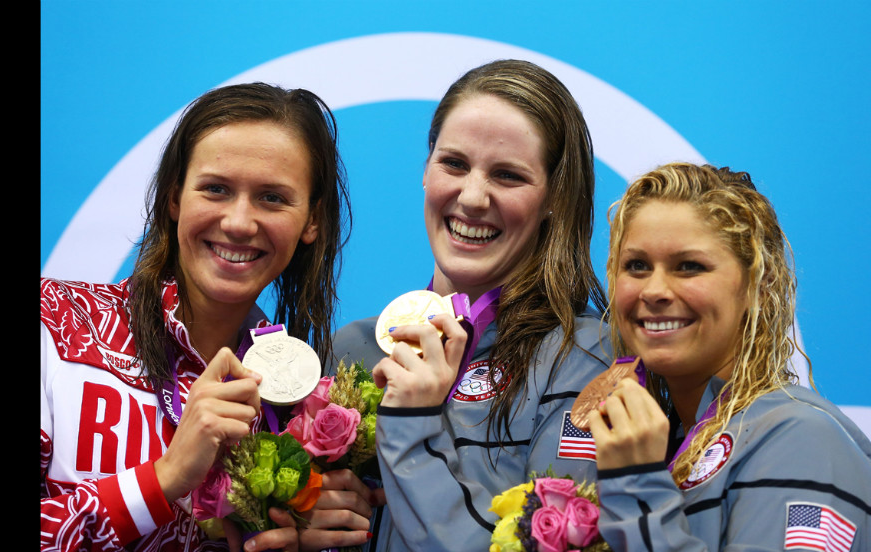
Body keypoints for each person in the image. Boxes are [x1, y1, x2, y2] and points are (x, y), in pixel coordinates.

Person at [41, 83, 379, 552]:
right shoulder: (56, 322)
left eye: (273, 198)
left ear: (311, 221)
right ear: (175, 196)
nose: (239, 222)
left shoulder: (300, 409)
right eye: (216, 189)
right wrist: (163, 479)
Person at [330, 59, 614, 551]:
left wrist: (413, 431)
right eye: (454, 164)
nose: (473, 197)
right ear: (425, 170)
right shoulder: (355, 346)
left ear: (554, 198)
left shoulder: (586, 359)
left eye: (507, 176)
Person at [590, 162, 871, 551]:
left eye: (689, 267)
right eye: (636, 266)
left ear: (759, 286)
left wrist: (637, 485)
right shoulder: (665, 440)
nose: (654, 290)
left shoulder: (802, 440)